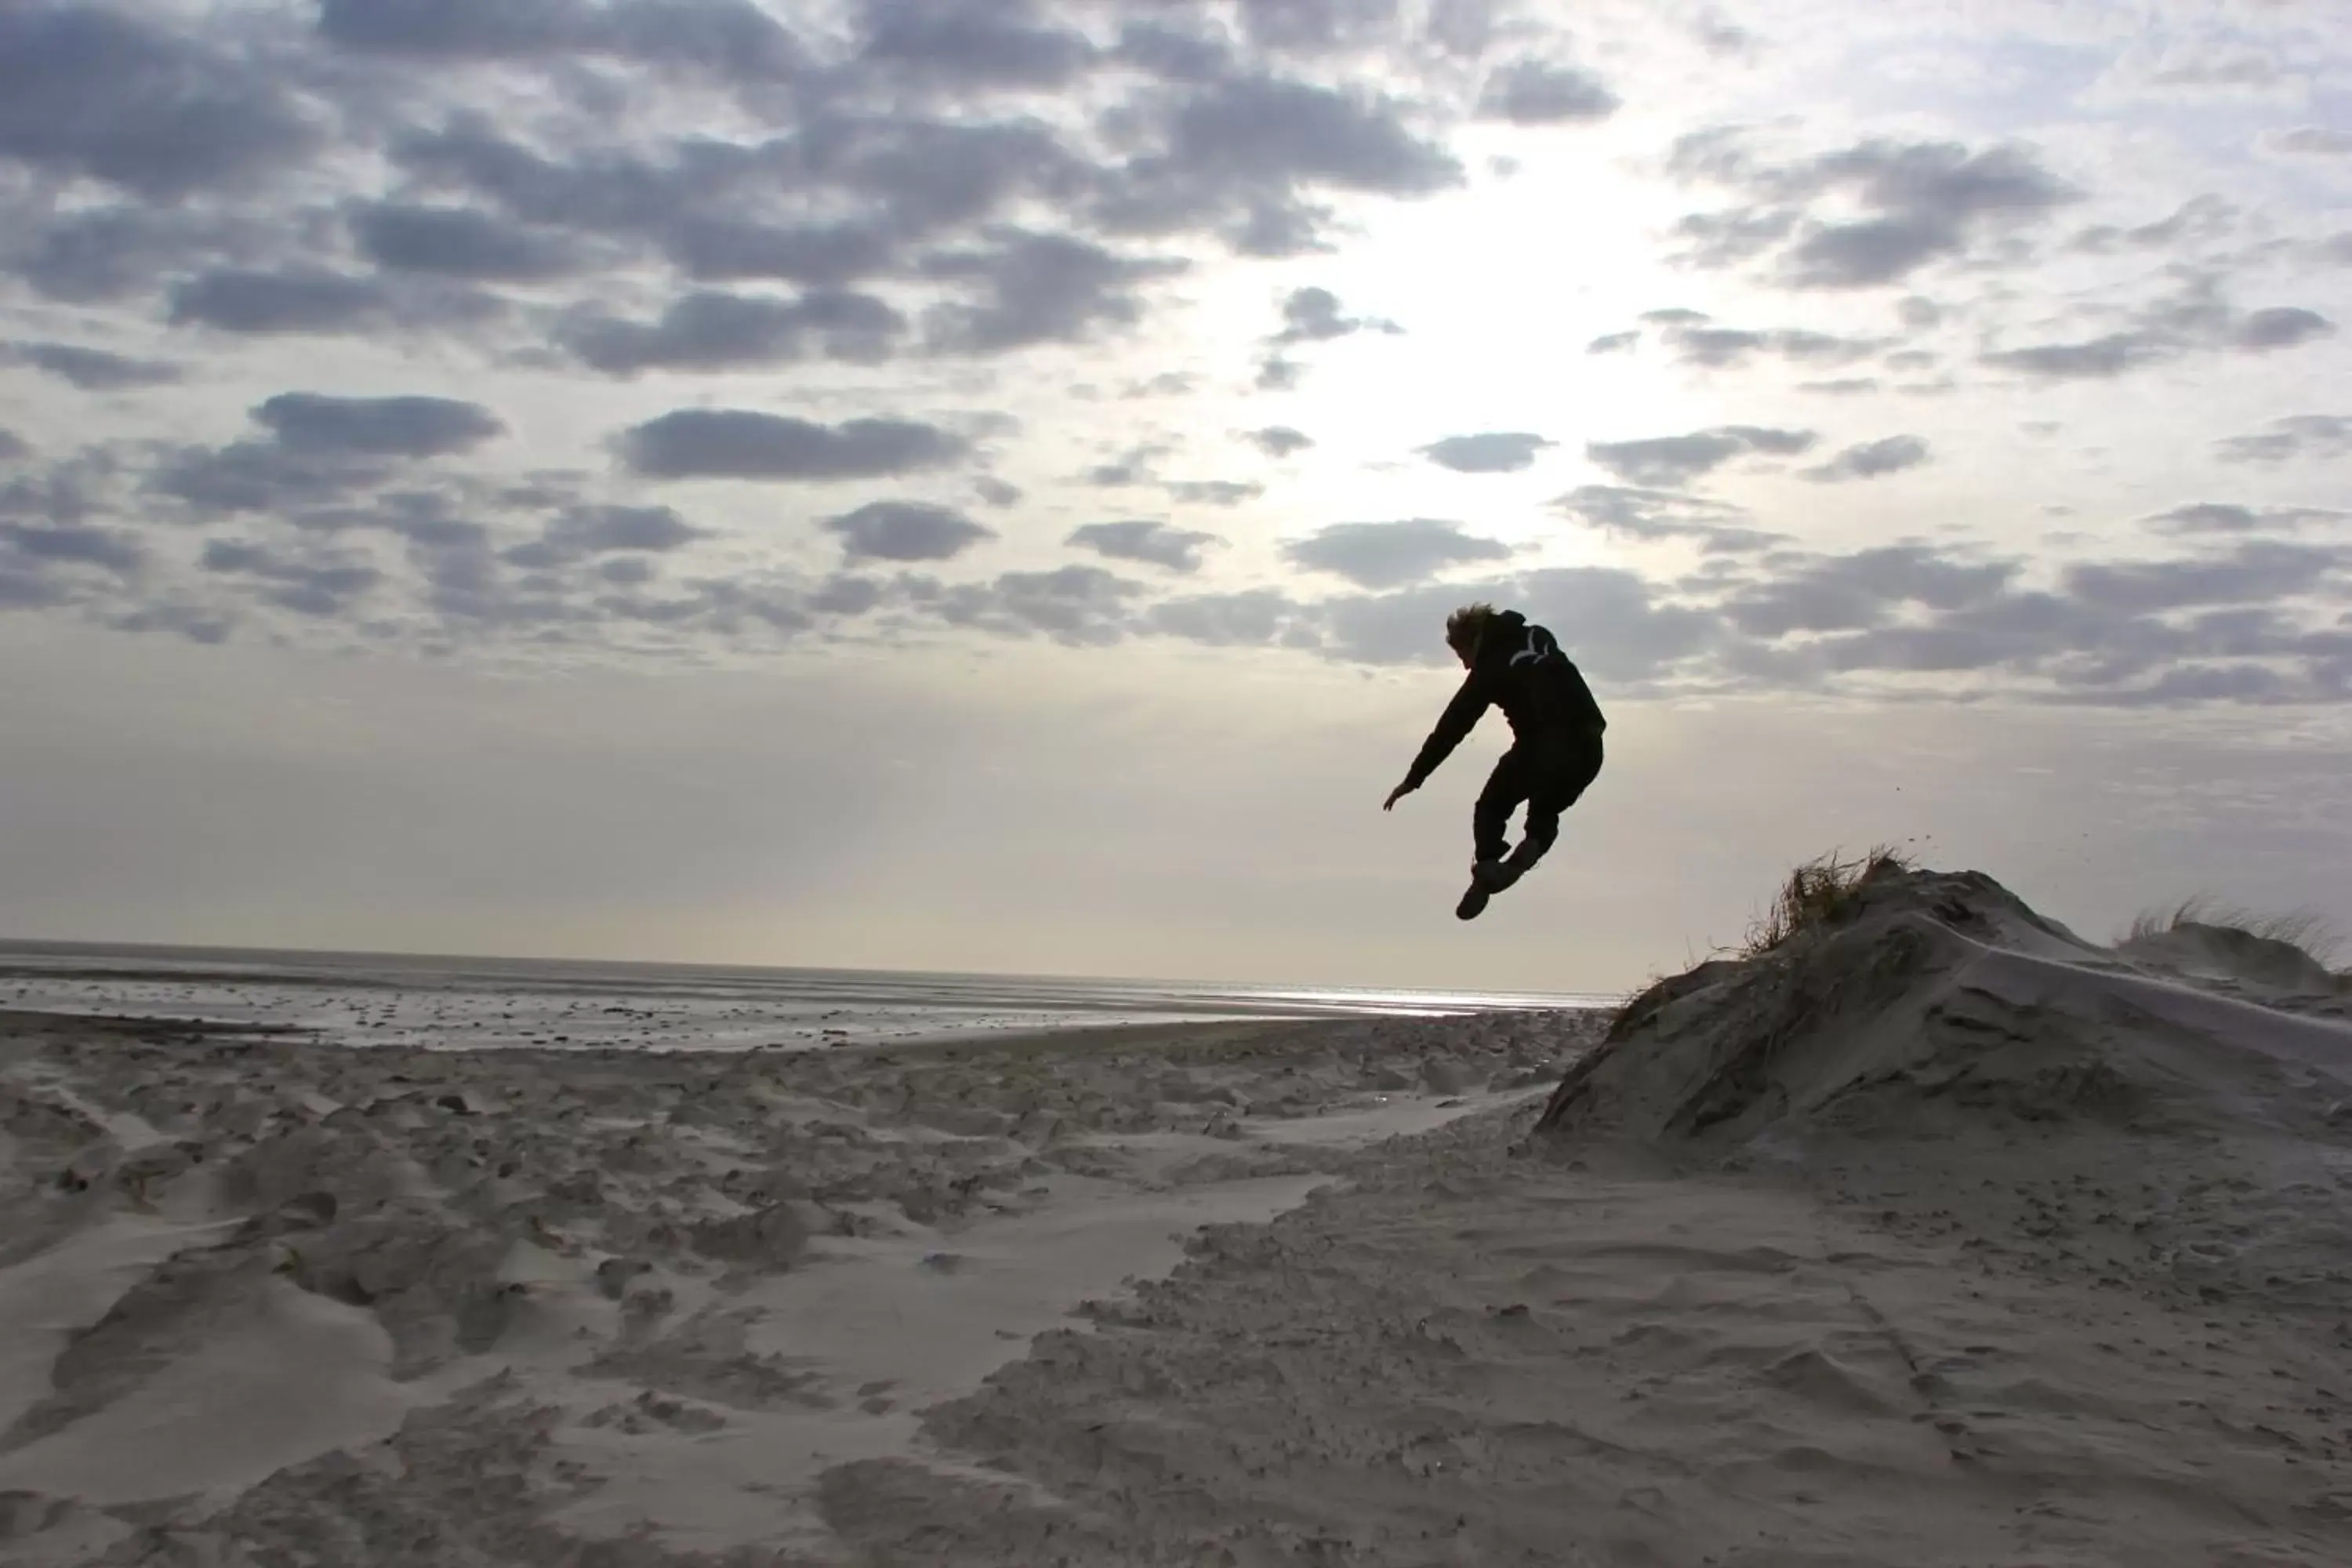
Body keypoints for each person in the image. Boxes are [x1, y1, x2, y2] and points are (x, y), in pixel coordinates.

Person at [1381, 602, 1606, 920]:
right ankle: (1532, 845)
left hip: (1540, 748)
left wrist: (1413, 779)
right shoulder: (1539, 636)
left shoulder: (1489, 669)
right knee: (1547, 803)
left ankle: (1488, 866)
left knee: (1491, 807)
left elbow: (1452, 727)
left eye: (1463, 658)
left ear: (1474, 643)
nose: (1465, 668)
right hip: (1589, 750)